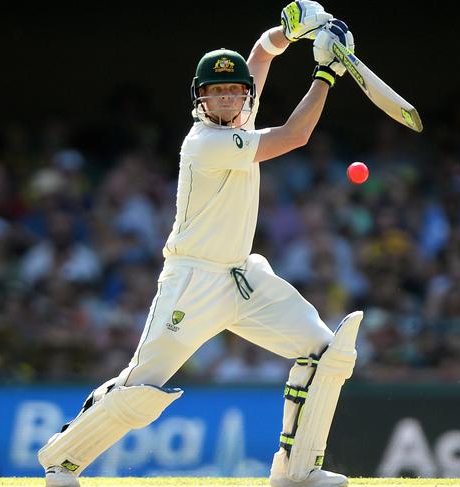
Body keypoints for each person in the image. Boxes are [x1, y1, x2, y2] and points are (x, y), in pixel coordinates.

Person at [38, 2, 362, 486]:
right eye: (218, 92)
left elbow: (259, 52)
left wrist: (292, 32)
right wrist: (326, 72)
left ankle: (297, 471)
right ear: (201, 99)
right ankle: (61, 461)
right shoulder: (204, 142)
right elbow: (295, 136)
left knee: (326, 352)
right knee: (142, 389)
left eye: (237, 91)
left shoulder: (239, 118)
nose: (230, 100)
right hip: (192, 280)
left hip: (244, 276)